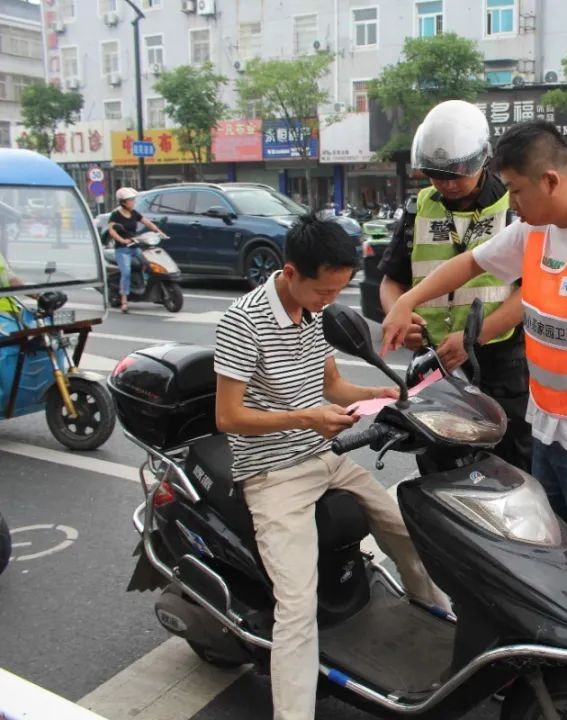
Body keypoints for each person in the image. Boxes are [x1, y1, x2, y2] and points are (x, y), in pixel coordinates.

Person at [381, 120, 567, 697]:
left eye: (516, 190)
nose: (510, 202)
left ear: (548, 179)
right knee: (557, 559)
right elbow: (466, 265)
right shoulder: (536, 230)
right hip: (549, 426)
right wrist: (408, 301)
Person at [214, 215, 447, 720]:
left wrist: (379, 393)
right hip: (273, 474)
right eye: (323, 290)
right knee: (297, 607)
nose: (329, 301)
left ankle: (433, 623)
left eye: (338, 291)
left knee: (406, 532)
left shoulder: (316, 313)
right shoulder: (242, 321)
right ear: (291, 272)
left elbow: (334, 387)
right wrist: (306, 418)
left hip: (326, 456)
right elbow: (228, 416)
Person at [378, 99, 532, 471]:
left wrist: (473, 338)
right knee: (440, 471)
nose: (445, 184)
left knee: (508, 471)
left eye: (456, 174)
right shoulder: (420, 208)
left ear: (483, 159)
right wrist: (401, 315)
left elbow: (532, 293)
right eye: (435, 175)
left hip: (500, 366)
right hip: (433, 365)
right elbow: (392, 281)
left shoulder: (515, 207)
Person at [106, 187, 167, 313]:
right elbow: (111, 230)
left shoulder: (134, 213)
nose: (133, 202)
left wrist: (160, 232)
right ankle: (124, 301)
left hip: (135, 247)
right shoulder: (116, 215)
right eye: (130, 200)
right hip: (122, 250)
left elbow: (147, 223)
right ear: (123, 202)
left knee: (150, 264)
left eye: (133, 200)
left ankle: (149, 289)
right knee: (126, 272)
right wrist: (122, 240)